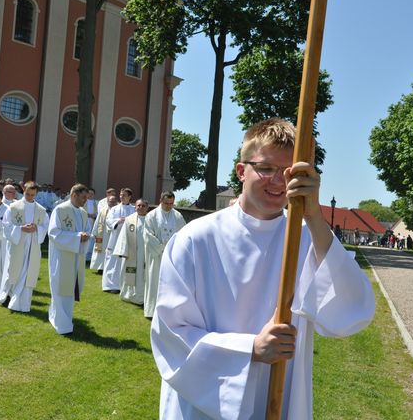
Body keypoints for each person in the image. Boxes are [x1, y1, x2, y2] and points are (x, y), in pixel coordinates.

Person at [150, 118, 375, 419]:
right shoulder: (195, 239)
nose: (279, 182)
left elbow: (353, 310)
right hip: (204, 403)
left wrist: (315, 217)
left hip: (279, 398)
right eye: (266, 168)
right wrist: (250, 349)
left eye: (288, 172)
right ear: (241, 171)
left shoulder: (307, 239)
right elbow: (170, 334)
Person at [0, 181, 49, 312]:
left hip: (33, 245)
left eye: (33, 195)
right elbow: (6, 225)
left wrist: (36, 228)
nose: (30, 197)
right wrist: (21, 229)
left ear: (36, 194)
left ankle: (23, 302)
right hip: (17, 243)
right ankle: (7, 296)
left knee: (28, 273)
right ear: (23, 190)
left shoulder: (41, 211)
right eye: (27, 194)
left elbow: (45, 226)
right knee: (13, 270)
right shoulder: (14, 207)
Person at [47, 184, 90, 334]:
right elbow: (53, 233)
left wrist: (85, 237)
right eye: (83, 197)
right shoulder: (60, 210)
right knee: (60, 287)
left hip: (76, 256)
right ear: (73, 195)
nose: (86, 200)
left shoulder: (83, 213)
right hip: (62, 256)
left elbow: (87, 230)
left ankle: (64, 318)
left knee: (71, 289)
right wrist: (78, 237)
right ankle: (62, 324)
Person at [143, 191, 186, 318]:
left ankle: (168, 311)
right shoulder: (151, 216)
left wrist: (173, 248)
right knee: (154, 281)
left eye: (171, 203)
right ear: (161, 200)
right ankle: (151, 311)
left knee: (171, 283)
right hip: (156, 256)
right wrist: (161, 247)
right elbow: (148, 235)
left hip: (172, 256)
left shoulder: (178, 216)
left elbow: (183, 234)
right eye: (166, 203)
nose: (169, 206)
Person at [113, 198, 149, 305]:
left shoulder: (151, 219)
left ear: (147, 207)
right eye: (138, 205)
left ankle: (141, 296)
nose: (140, 208)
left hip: (145, 253)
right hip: (131, 252)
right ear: (135, 207)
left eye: (143, 206)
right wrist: (122, 251)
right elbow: (123, 236)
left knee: (143, 274)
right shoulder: (129, 220)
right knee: (130, 272)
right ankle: (128, 295)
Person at [103, 188, 136, 292]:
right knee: (112, 260)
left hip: (128, 239)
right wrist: (118, 221)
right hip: (115, 238)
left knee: (124, 261)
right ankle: (109, 285)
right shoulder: (114, 209)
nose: (121, 196)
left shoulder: (134, 209)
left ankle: (122, 285)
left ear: (129, 197)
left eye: (124, 195)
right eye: (121, 195)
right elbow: (108, 220)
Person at [90, 195, 117, 274]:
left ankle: (111, 267)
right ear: (107, 201)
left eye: (113, 201)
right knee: (101, 252)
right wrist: (94, 232)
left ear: (116, 202)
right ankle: (100, 268)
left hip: (113, 234)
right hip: (103, 234)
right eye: (110, 201)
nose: (111, 203)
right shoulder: (103, 210)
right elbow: (97, 221)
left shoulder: (117, 210)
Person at [85, 188, 98, 261]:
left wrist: (94, 216)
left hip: (92, 222)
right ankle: (84, 256)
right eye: (89, 193)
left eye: (92, 193)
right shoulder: (84, 201)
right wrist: (88, 215)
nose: (90, 195)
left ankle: (89, 258)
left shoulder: (95, 203)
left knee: (91, 240)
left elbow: (97, 213)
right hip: (86, 222)